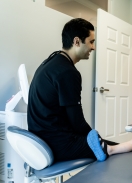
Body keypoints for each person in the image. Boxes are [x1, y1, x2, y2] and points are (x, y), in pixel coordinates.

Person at [27, 18, 116, 162]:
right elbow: (77, 122)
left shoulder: (51, 62)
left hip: (43, 140)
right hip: (58, 144)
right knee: (116, 150)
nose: (93, 48)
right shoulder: (67, 72)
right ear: (76, 41)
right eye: (91, 42)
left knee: (107, 145)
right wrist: (97, 140)